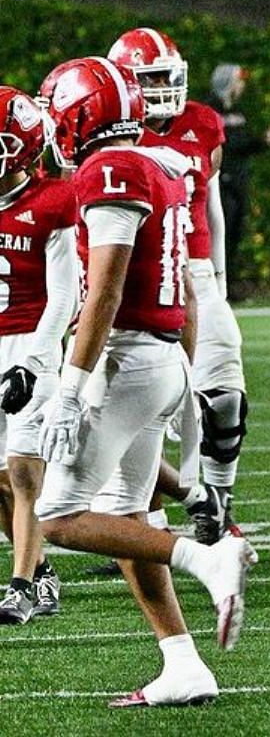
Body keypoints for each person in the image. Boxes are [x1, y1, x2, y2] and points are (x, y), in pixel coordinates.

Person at [33, 56, 257, 707]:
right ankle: (183, 664)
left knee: (59, 518)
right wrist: (183, 369)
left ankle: (205, 557)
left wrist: (72, 387)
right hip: (157, 355)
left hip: (124, 361)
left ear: (78, 115)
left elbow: (103, 287)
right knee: (127, 516)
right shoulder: (156, 167)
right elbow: (184, 279)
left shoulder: (110, 170)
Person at [107, 29, 249, 549]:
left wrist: (220, 279)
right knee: (137, 409)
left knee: (226, 392)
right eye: (150, 79)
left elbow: (208, 202)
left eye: (168, 75)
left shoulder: (203, 123)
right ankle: (142, 525)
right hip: (141, 277)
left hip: (195, 272)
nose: (164, 87)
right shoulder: (109, 132)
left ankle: (218, 505)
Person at [0, 89, 77, 625]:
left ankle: (21, 584)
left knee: (25, 471)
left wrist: (35, 362)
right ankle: (42, 567)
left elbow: (66, 294)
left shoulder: (53, 202)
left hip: (32, 340)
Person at [209, 64, 270, 296]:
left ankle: (228, 282)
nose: (241, 85)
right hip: (220, 181)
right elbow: (228, 145)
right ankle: (216, 284)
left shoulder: (238, 110)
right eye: (237, 81)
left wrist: (264, 142)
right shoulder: (210, 109)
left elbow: (243, 143)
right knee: (220, 235)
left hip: (238, 180)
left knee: (234, 233)